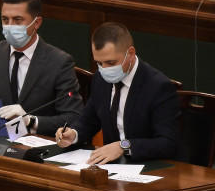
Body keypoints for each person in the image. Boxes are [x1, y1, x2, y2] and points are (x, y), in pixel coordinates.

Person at [0, 0, 83, 136]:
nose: (10, 26)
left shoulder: (59, 62)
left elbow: (74, 117)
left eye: (17, 20)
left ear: (36, 23)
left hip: (39, 141)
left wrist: (31, 121)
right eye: (5, 20)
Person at [55, 22, 179, 164]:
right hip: (112, 166)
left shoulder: (158, 86)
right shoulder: (100, 79)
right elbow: (89, 121)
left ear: (130, 53)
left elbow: (167, 143)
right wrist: (73, 134)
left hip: (149, 166)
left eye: (111, 63)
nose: (104, 69)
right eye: (99, 63)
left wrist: (123, 146)